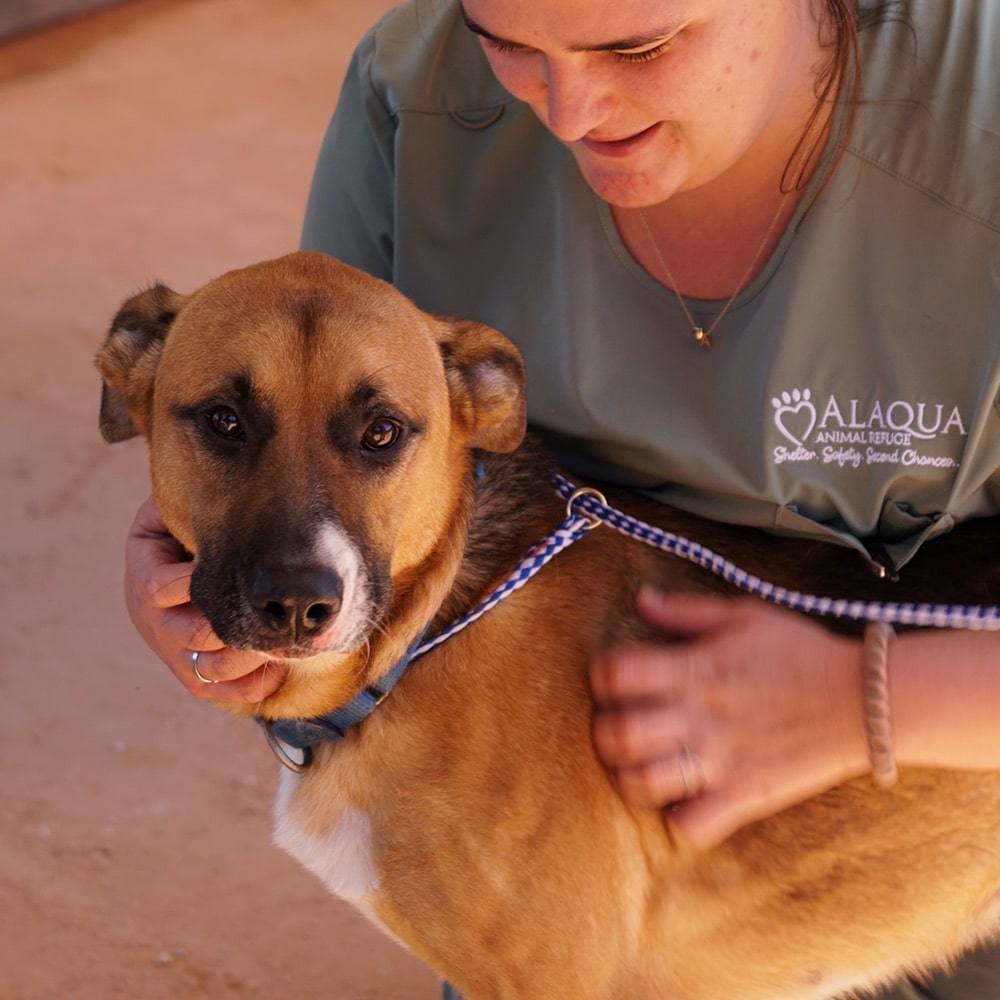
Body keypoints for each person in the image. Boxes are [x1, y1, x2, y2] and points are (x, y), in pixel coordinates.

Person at [123, 0, 1000, 996]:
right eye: (509, 44)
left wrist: (863, 703)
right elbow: (307, 409)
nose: (573, 109)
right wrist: (177, 564)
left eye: (640, 46)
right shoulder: (413, 90)